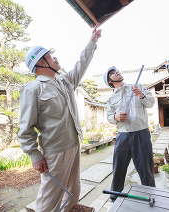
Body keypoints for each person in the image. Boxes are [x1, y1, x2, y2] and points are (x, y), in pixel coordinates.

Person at [18, 24, 101, 212]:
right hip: (55, 151)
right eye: (49, 56)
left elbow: (81, 65)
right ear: (39, 63)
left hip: (73, 145)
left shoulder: (64, 82)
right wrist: (34, 155)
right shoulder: (33, 89)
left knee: (72, 190)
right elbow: (26, 127)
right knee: (49, 197)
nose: (55, 58)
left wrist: (92, 42)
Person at [103, 66, 156, 202]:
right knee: (118, 168)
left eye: (116, 70)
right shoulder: (111, 99)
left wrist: (141, 95)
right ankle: (114, 198)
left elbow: (150, 103)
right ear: (110, 81)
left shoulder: (137, 87)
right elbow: (109, 117)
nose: (117, 72)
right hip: (122, 135)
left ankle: (152, 197)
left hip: (141, 133)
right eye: (112, 73)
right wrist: (116, 117)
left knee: (146, 169)